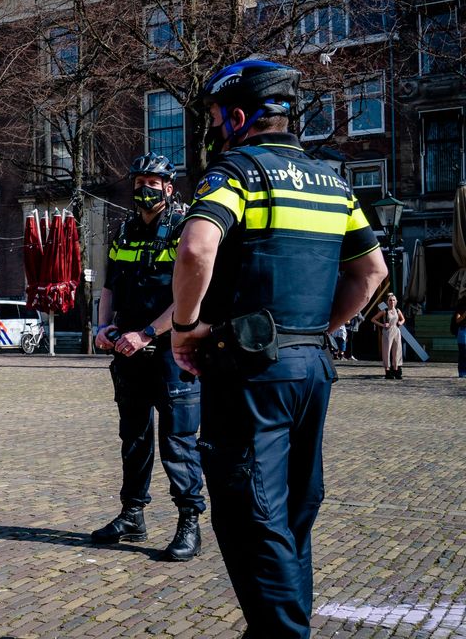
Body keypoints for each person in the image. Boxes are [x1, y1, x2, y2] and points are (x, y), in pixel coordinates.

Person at [171, 59, 387, 638]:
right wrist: (315, 330)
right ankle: (275, 627)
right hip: (311, 368)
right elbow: (372, 272)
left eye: (217, 121)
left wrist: (185, 326)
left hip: (250, 371)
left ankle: (282, 635)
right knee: (293, 510)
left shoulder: (236, 171)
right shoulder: (333, 183)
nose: (216, 132)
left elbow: (195, 250)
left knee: (250, 514)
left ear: (238, 117)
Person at [91, 154, 204, 562]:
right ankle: (132, 514)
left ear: (169, 188)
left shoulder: (187, 230)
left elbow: (191, 296)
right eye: (139, 181)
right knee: (134, 438)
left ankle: (189, 522)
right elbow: (110, 286)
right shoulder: (124, 231)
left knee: (178, 441)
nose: (144, 189)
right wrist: (103, 327)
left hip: (173, 353)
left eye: (153, 182)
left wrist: (148, 333)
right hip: (128, 354)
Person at [372, 293, 406, 379]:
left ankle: (396, 370)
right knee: (386, 351)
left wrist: (400, 323)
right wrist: (382, 324)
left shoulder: (398, 311)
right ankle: (387, 371)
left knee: (397, 350)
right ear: (387, 302)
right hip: (388, 332)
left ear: (396, 301)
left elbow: (403, 319)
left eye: (394, 300)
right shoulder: (385, 311)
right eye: (390, 300)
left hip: (396, 331)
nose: (392, 302)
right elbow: (373, 319)